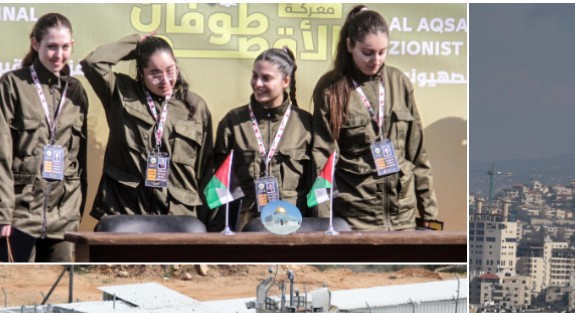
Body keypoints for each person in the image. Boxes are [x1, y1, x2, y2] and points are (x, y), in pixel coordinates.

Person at [309, 5, 438, 231]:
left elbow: (417, 155)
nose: (376, 60)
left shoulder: (400, 82)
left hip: (402, 216)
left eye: (382, 52)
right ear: (349, 45)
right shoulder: (330, 88)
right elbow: (322, 159)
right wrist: (323, 221)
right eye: (367, 53)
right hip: (354, 217)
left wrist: (429, 215)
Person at [80, 32, 213, 222]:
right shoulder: (120, 92)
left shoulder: (195, 106)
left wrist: (208, 223)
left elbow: (206, 170)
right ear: (141, 73)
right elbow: (93, 63)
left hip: (177, 216)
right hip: (125, 210)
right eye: (155, 74)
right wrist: (136, 43)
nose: (165, 81)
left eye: (170, 70)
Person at [0, 13, 88, 262]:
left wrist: (76, 213)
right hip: (20, 216)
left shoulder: (76, 92)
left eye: (64, 47)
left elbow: (80, 160)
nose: (58, 55)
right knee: (13, 290)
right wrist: (3, 213)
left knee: (57, 287)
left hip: (64, 218)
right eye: (51, 46)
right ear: (36, 44)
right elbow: (2, 156)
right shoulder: (12, 85)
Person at [212, 47, 313, 230]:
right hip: (245, 231)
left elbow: (317, 187)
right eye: (254, 76)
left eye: (266, 78)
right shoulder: (233, 122)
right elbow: (219, 187)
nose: (257, 83)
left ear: (285, 82)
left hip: (293, 230)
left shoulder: (306, 125)